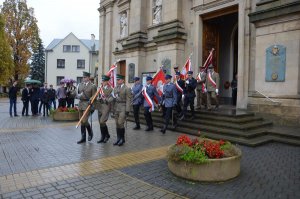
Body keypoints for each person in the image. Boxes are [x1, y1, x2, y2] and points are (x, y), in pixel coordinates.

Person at [109, 74, 132, 146]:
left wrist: (127, 110)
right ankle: (118, 138)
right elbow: (113, 98)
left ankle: (122, 139)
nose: (117, 81)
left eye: (119, 80)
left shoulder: (127, 88)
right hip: (116, 107)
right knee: (117, 124)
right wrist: (112, 108)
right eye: (117, 80)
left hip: (123, 107)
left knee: (120, 123)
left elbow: (128, 100)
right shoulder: (115, 88)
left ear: (123, 80)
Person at [76, 71, 97, 144]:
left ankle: (90, 132)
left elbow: (95, 95)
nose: (83, 78)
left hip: (88, 104)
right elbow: (77, 93)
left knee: (84, 120)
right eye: (83, 77)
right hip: (81, 104)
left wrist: (91, 100)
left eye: (85, 77)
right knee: (81, 121)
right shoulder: (80, 85)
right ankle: (83, 137)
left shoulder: (93, 86)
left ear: (88, 78)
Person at [95, 75, 113, 143]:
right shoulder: (100, 88)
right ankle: (105, 135)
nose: (103, 82)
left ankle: (105, 136)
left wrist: (107, 100)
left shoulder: (110, 89)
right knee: (100, 122)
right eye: (102, 81)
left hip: (106, 105)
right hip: (99, 105)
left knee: (102, 121)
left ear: (107, 81)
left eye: (104, 81)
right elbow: (96, 95)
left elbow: (112, 97)